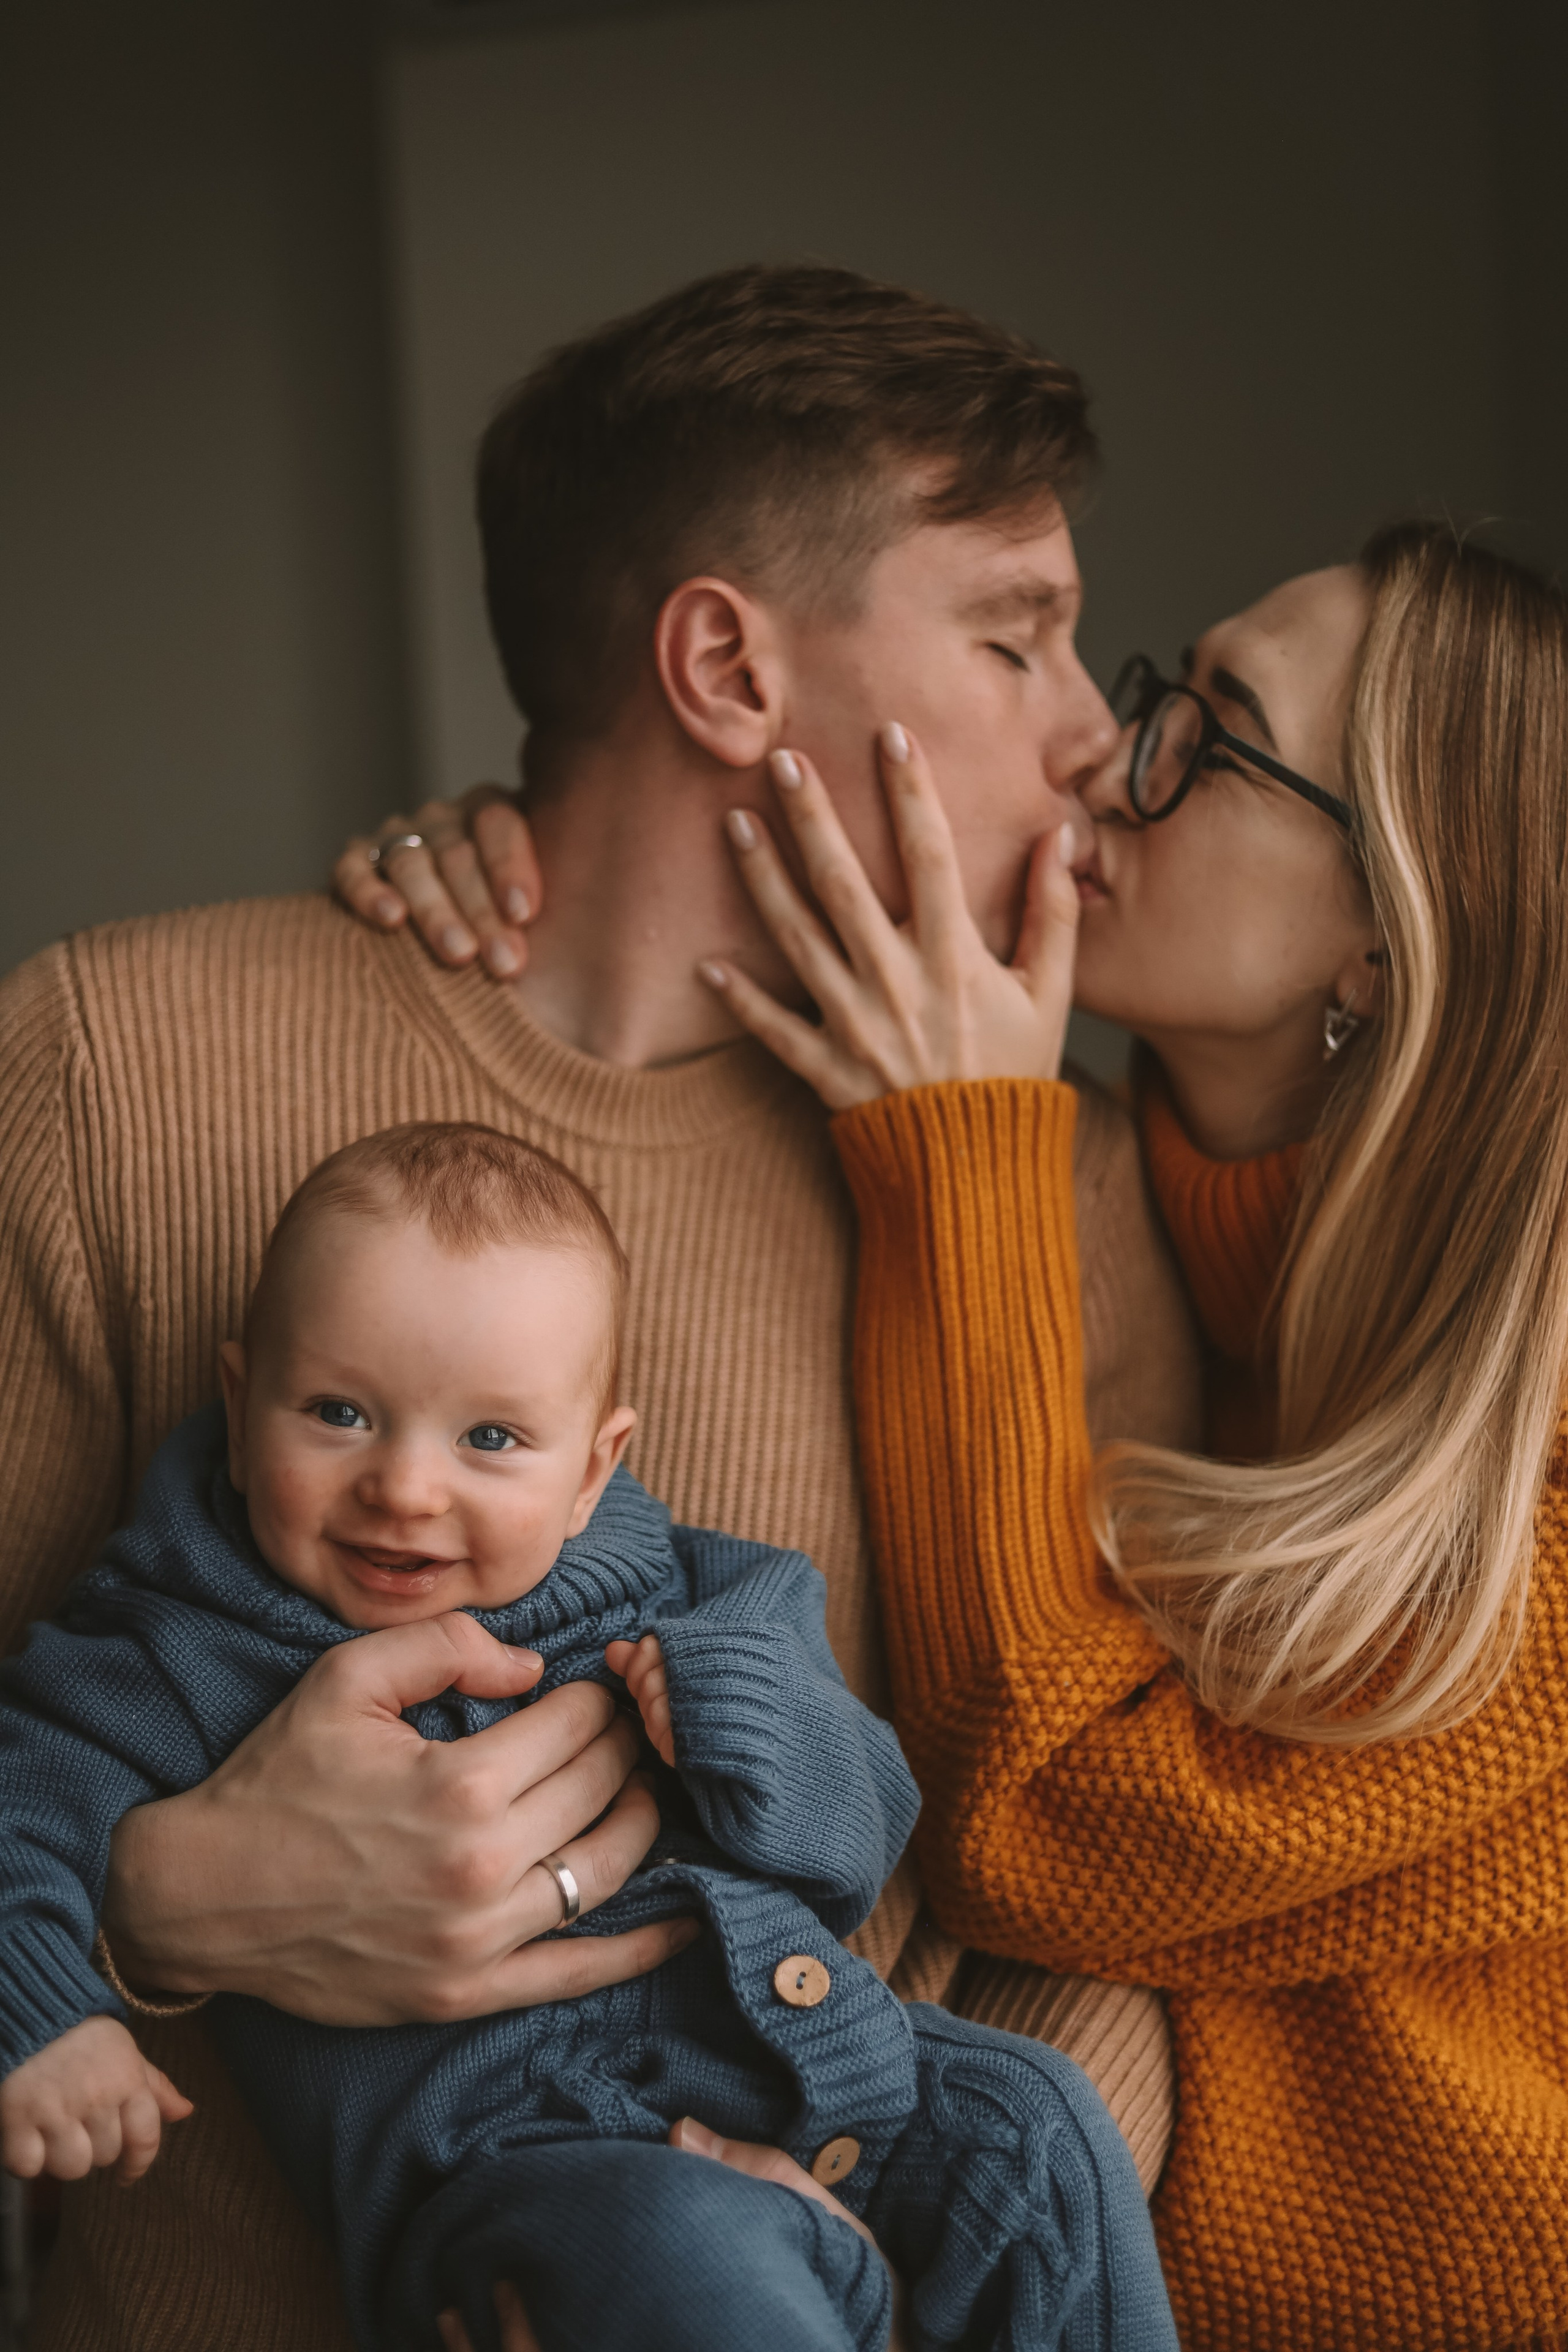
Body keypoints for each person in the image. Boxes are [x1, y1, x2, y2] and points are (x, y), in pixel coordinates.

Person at [0, 263, 1197, 2350]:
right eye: (1016, 635)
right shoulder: (111, 1058)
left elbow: (1108, 1902)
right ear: (726, 663)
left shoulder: (1061, 1186)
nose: (1097, 732)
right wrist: (162, 1907)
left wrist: (849, 2249)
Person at [668, 520, 1568, 2349]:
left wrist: (964, 1149)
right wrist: (486, 845)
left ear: (1387, 945)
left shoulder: (1534, 1456)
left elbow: (1045, 1822)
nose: (1099, 748)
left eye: (1210, 729)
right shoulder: (1158, 1199)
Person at [0, 1121, 1176, 2352]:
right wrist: (49, 2018)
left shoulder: (703, 1600)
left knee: (1036, 2119)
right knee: (689, 2251)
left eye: (490, 1439)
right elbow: (20, 1797)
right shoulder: (178, 1638)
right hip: (524, 2164)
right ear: (242, 1412)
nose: (404, 1486)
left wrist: (741, 1709)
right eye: (339, 1413)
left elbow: (861, 1838)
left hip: (809, 2053)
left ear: (593, 1470)